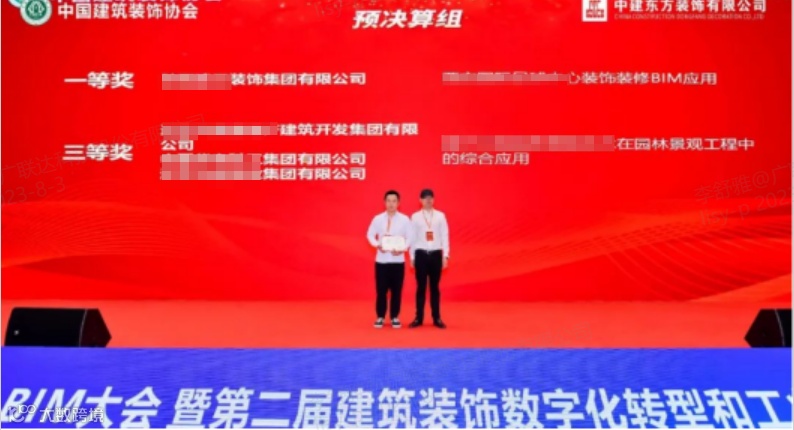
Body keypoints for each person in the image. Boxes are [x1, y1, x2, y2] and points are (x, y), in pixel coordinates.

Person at [366, 190, 412, 329]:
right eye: (388, 201)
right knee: (381, 290)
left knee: (396, 291)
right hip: (381, 261)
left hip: (398, 261)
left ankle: (394, 317)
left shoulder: (405, 219)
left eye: (394, 201)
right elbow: (369, 235)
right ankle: (380, 316)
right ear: (384, 202)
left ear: (398, 203)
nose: (391, 204)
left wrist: (403, 248)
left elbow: (410, 237)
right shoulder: (377, 219)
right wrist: (377, 245)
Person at [409, 189, 449, 329]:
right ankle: (418, 318)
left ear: (434, 200)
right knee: (421, 287)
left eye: (430, 198)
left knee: (434, 288)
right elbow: (412, 238)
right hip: (421, 254)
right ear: (420, 200)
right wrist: (412, 256)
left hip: (436, 254)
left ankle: (437, 318)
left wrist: (445, 255)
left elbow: (445, 235)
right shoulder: (415, 217)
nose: (428, 200)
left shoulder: (440, 216)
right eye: (425, 198)